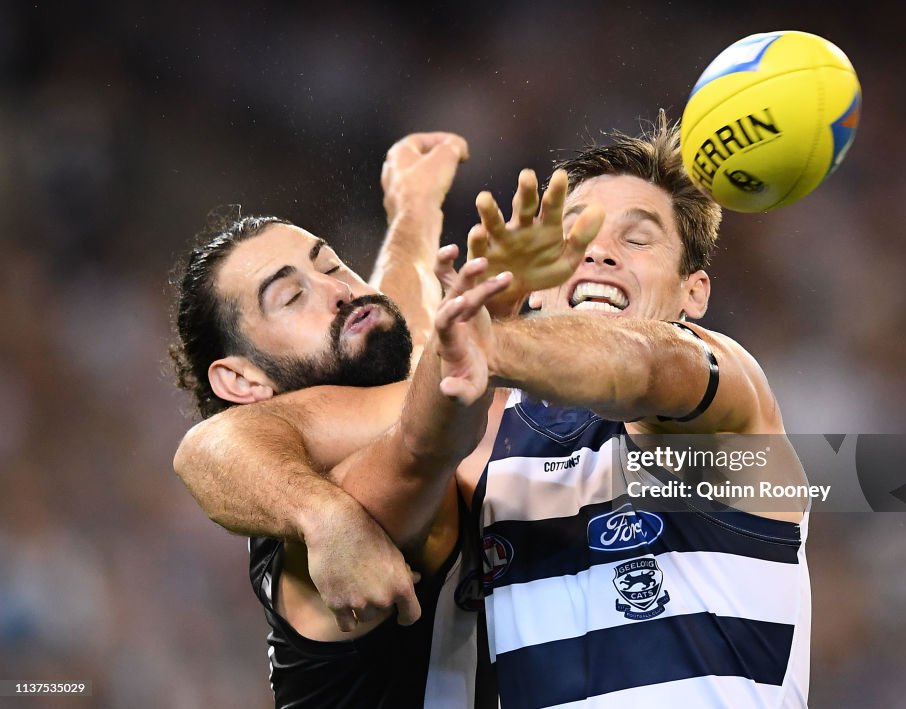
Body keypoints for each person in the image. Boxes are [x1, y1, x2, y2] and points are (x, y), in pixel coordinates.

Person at [174, 112, 811, 708]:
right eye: (575, 233)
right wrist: (323, 515)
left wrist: (440, 254)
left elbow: (642, 364)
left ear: (693, 292)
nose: (599, 251)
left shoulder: (724, 401)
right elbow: (216, 445)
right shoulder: (485, 439)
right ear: (538, 283)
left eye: (638, 238)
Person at [170, 132, 601, 708]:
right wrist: (325, 516)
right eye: (291, 296)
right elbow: (206, 450)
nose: (338, 290)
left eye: (332, 265)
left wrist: (414, 209)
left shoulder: (366, 403)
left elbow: (408, 329)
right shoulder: (349, 489)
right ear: (244, 382)